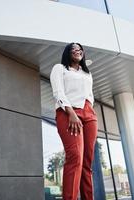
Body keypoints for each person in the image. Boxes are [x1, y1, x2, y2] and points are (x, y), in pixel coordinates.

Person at [50, 42, 98, 200]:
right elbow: (58, 92)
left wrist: (89, 107)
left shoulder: (87, 73)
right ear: (67, 53)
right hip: (68, 112)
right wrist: (71, 113)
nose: (77, 51)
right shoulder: (60, 68)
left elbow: (90, 94)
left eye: (80, 49)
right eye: (73, 49)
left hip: (89, 115)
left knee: (86, 163)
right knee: (75, 157)